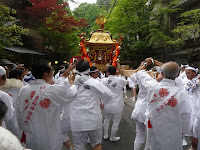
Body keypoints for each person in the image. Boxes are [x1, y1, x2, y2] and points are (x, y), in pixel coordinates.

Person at [132, 59, 193, 150]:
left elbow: (136, 74)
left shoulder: (151, 86)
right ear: (178, 75)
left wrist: (145, 64)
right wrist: (183, 132)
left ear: (162, 74)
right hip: (173, 132)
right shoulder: (182, 94)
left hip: (154, 129)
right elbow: (186, 116)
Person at [16, 61, 77, 150]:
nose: (53, 74)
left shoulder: (24, 90)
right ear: (45, 75)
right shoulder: (52, 90)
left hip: (31, 134)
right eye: (51, 72)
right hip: (50, 136)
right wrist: (72, 83)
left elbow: (19, 113)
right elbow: (72, 94)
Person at [70, 59, 112, 150]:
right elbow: (108, 95)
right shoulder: (95, 82)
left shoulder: (70, 82)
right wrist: (103, 103)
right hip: (93, 118)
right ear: (89, 70)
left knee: (79, 147)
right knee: (96, 144)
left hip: (76, 120)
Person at [101, 66, 127, 142]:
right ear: (116, 72)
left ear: (107, 72)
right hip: (117, 104)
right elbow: (125, 83)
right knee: (116, 122)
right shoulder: (120, 80)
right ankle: (112, 137)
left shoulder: (103, 80)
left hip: (107, 103)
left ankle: (105, 135)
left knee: (107, 119)